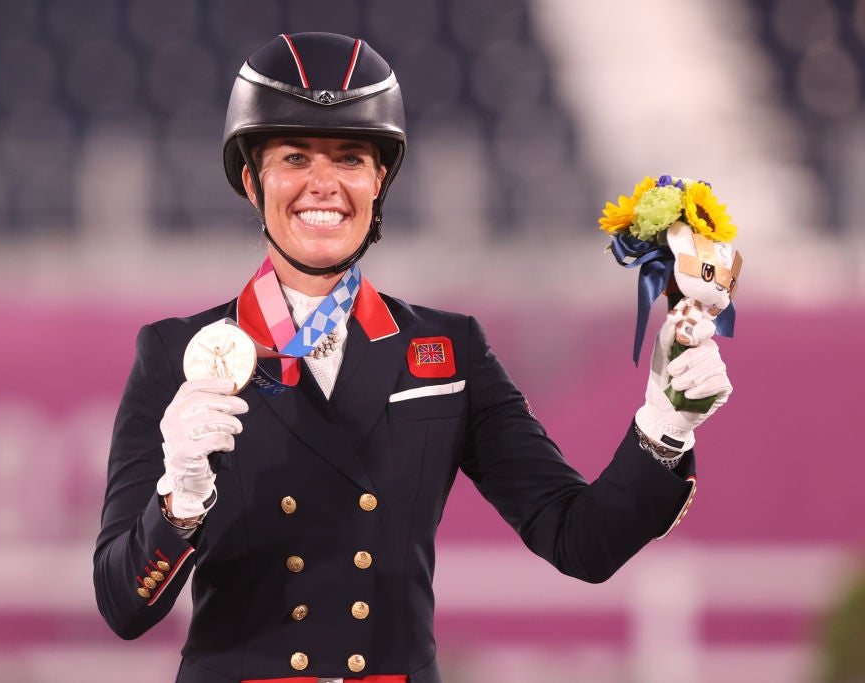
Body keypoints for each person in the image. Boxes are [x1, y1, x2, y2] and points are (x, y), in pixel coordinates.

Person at [94, 32, 732, 683]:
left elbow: (579, 539)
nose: (323, 184)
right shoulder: (174, 352)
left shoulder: (451, 350)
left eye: (349, 158)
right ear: (252, 181)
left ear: (379, 181)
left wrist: (663, 426)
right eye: (294, 156)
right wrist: (178, 499)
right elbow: (123, 605)